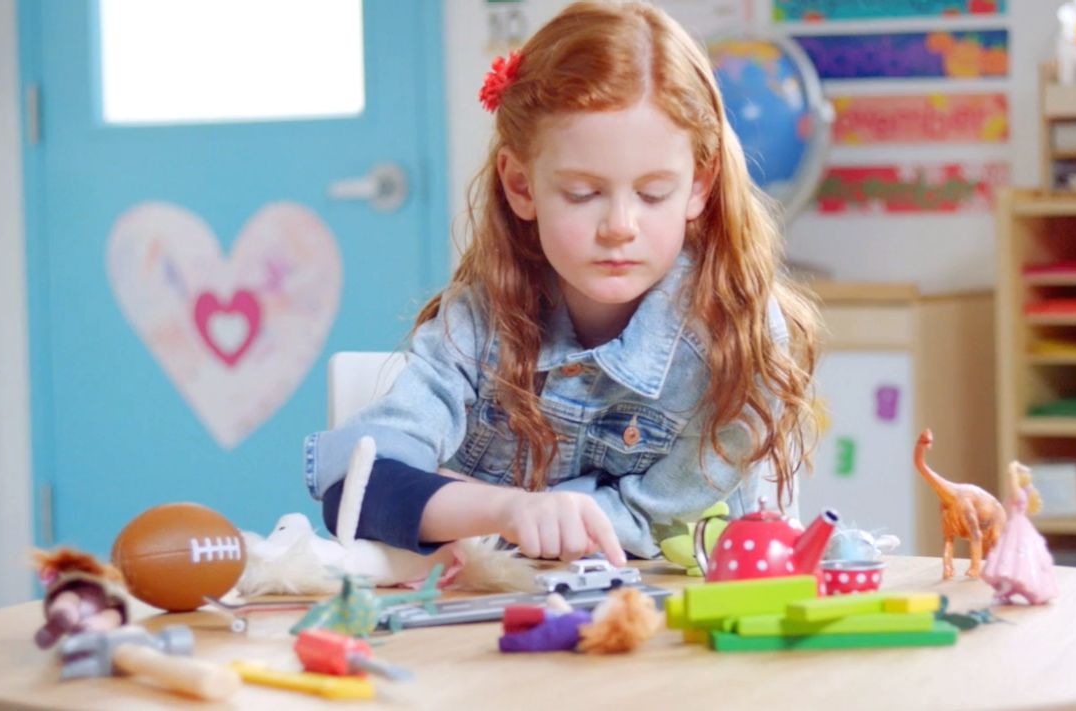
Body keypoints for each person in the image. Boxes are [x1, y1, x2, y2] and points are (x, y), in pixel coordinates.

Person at [304, 0, 821, 566]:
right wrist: (508, 510)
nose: (620, 226)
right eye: (582, 193)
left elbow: (655, 522)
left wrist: (474, 511)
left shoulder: (740, 339)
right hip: (495, 617)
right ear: (521, 185)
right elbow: (355, 486)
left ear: (699, 186)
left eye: (653, 195)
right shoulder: (477, 325)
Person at [981, 462, 1058, 605]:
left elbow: (1013, 487)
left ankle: (1014, 582)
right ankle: (1010, 584)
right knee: (1012, 553)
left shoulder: (1020, 493)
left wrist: (1012, 469)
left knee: (1014, 552)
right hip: (1016, 523)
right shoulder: (1022, 493)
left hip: (1018, 524)